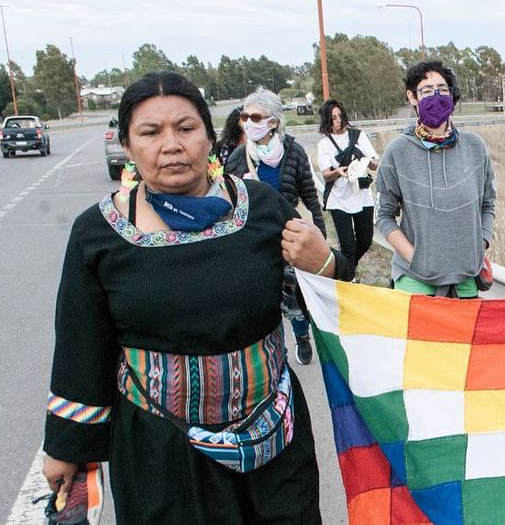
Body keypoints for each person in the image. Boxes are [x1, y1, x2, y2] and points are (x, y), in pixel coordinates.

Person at [41, 71, 350, 524]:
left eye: (185, 128)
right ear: (128, 146)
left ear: (210, 137)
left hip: (274, 444)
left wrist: (325, 261)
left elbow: (329, 296)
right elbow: (79, 344)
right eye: (150, 132)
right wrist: (65, 449)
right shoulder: (99, 232)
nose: (171, 144)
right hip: (160, 455)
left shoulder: (262, 207)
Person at [375, 60, 496, 298]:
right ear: (412, 97)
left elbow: (488, 205)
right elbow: (384, 216)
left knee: (463, 337)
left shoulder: (475, 147)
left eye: (443, 89)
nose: (436, 96)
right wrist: (415, 258)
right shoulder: (397, 152)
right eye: (427, 91)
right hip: (415, 280)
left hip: (466, 279)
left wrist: (479, 246)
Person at [224, 87, 325, 365]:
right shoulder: (237, 159)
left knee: (294, 299)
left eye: (255, 116)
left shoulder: (293, 153)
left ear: (273, 122)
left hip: (291, 238)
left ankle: (302, 335)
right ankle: (274, 350)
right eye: (244, 116)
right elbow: (228, 205)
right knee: (264, 301)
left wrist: (320, 235)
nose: (247, 122)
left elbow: (309, 196)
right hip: (254, 242)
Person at [317, 99, 379, 281]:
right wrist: (338, 172)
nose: (338, 120)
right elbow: (326, 174)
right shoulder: (324, 144)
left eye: (340, 115)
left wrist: (372, 163)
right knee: (347, 245)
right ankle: (350, 279)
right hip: (339, 198)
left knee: (366, 239)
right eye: (333, 117)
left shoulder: (358, 136)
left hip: (361, 193)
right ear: (327, 121)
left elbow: (374, 161)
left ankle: (346, 266)